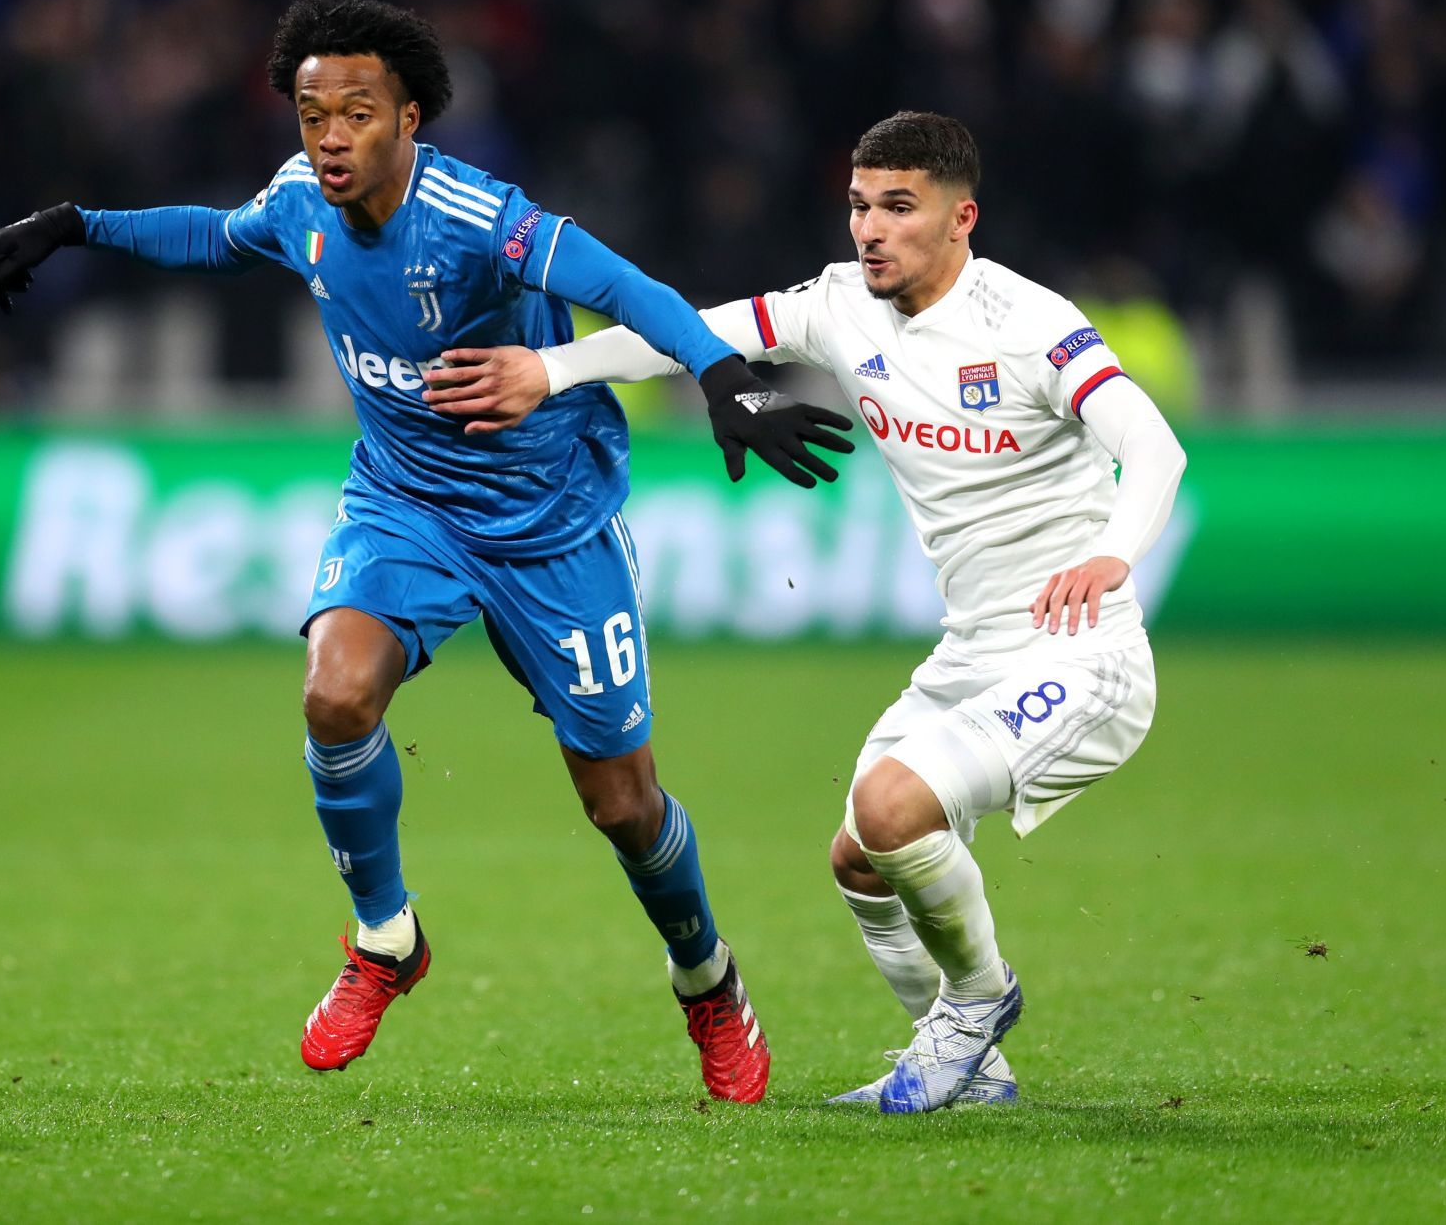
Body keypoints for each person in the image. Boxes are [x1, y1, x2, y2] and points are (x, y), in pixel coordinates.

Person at [0, 0, 855, 1103]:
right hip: (408, 505)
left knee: (623, 805)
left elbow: (621, 284)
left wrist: (721, 375)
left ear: (408, 120)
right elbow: (217, 234)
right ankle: (386, 936)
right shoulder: (299, 201)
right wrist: (76, 223)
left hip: (551, 524)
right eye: (311, 112)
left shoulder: (481, 218)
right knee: (335, 693)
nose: (330, 136)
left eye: (355, 111)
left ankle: (709, 983)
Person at [421, 110, 1187, 1113]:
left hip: (1085, 652)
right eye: (862, 204)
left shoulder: (1030, 325)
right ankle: (972, 1066)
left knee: (890, 808)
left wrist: (1109, 555)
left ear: (963, 219)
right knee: (860, 859)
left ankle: (978, 1003)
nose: (871, 227)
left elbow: (1155, 446)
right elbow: (695, 336)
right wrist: (550, 369)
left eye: (899, 207)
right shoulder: (840, 305)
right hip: (975, 649)